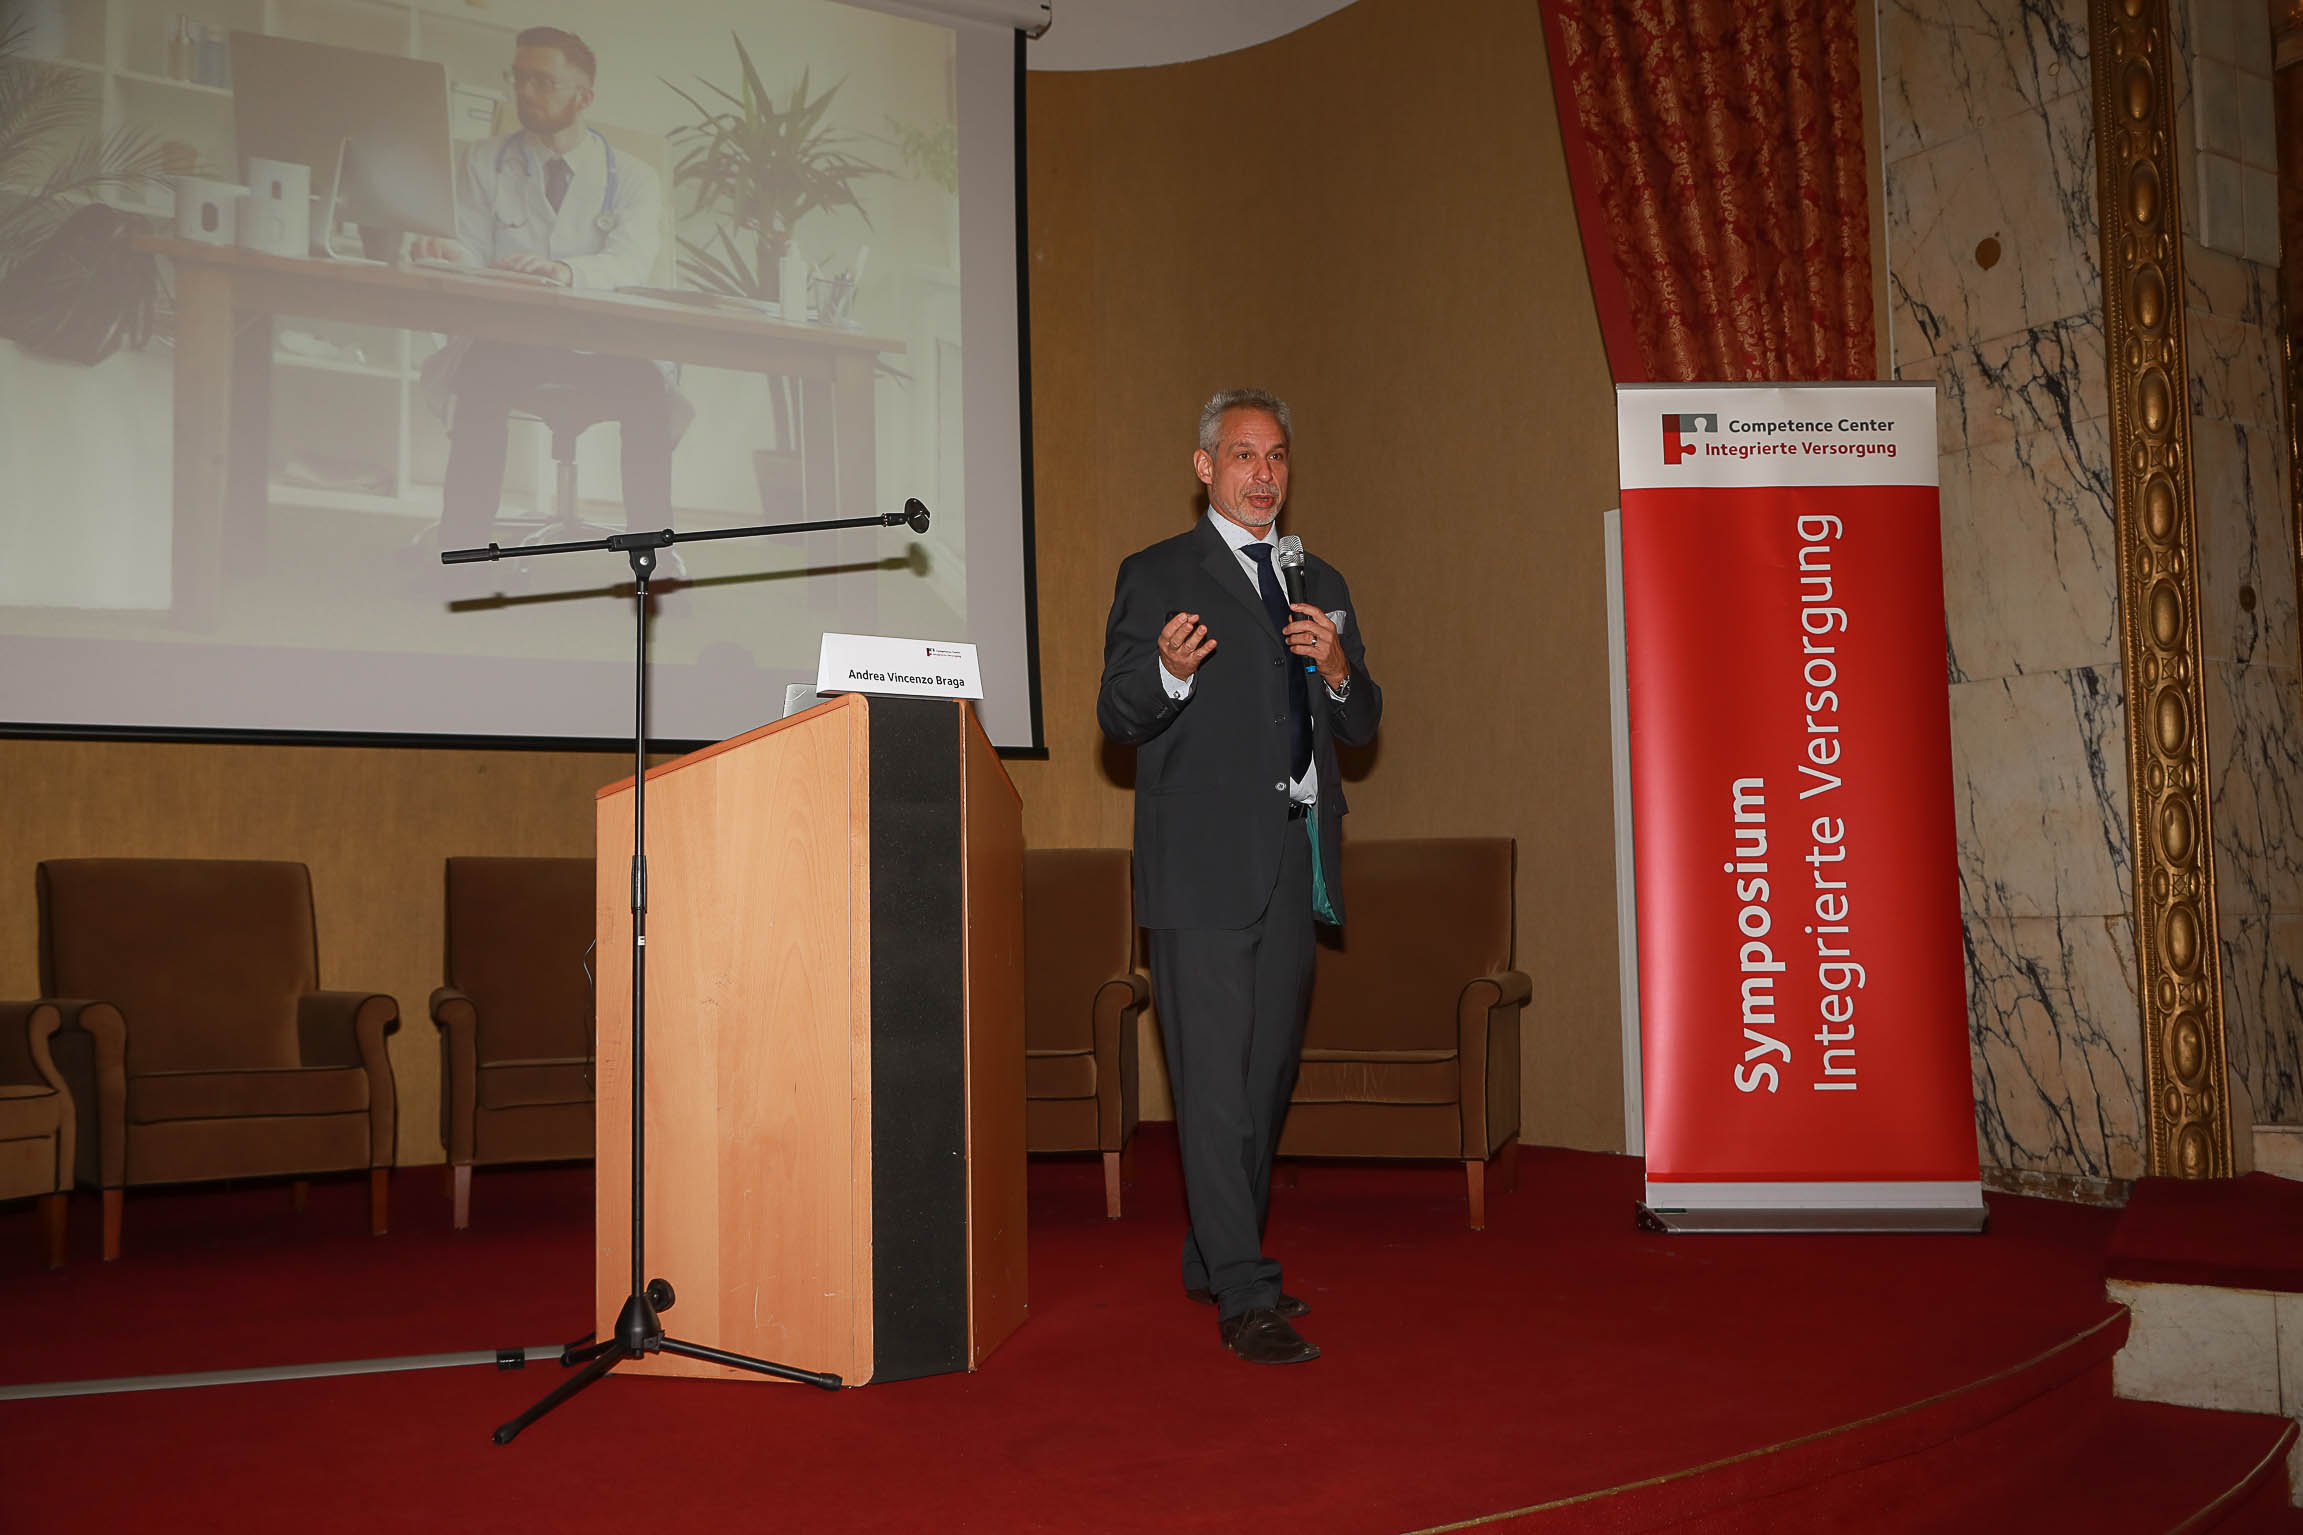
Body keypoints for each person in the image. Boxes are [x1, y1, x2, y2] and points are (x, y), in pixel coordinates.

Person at [1095, 388, 1381, 1365]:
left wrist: (1337, 668)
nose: (1264, 473)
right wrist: (1168, 672)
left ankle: (1215, 1256)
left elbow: (1360, 721)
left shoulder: (1318, 577)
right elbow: (1117, 711)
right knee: (1212, 1085)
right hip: (1200, 864)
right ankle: (1244, 1292)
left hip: (1294, 858)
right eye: (1244, 455)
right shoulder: (1157, 573)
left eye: (1277, 456)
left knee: (1263, 1081)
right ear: (1205, 466)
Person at [411, 26, 683, 549]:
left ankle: (652, 560)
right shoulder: (484, 160)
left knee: (648, 393)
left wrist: (565, 270)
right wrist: (450, 252)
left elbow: (630, 262)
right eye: (519, 78)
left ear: (584, 96)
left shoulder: (633, 177)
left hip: (604, 346)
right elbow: (471, 248)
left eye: (543, 81)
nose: (525, 92)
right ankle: (462, 552)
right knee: (480, 376)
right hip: (514, 339)